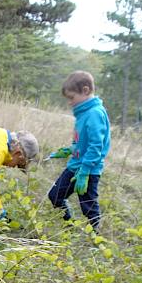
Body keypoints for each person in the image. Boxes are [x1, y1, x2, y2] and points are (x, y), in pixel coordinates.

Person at [47, 71, 110, 230]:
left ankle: (96, 236)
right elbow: (83, 141)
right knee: (55, 196)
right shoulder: (83, 113)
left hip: (88, 170)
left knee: (88, 205)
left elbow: (96, 145)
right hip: (74, 166)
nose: (69, 102)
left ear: (86, 90)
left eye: (71, 97)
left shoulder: (95, 113)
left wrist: (85, 171)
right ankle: (70, 225)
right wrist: (69, 150)